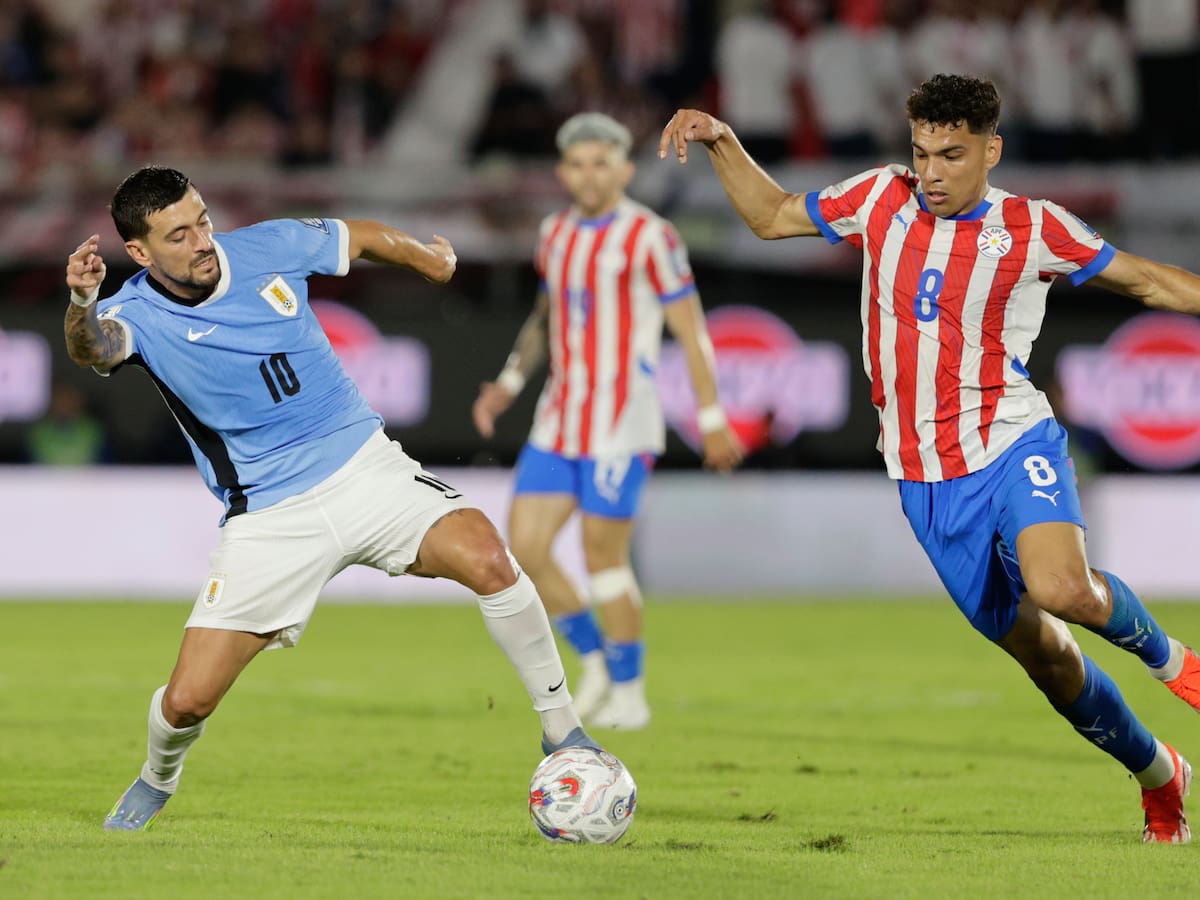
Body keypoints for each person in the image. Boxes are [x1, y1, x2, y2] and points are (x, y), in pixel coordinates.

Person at [659, 73, 1200, 843]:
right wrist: (722, 140)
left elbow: (1146, 281)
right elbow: (774, 216)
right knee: (1046, 659)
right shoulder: (880, 199)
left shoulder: (1033, 227)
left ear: (991, 150)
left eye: (951, 154)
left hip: (1012, 439)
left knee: (1062, 588)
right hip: (924, 478)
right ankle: (1159, 775)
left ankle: (1177, 663)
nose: (932, 173)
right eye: (921, 154)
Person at [64, 165, 597, 831]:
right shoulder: (133, 314)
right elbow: (93, 348)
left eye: (202, 219)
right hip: (270, 517)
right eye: (179, 234)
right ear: (139, 252)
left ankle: (564, 733)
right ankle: (156, 777)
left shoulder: (268, 246)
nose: (202, 239)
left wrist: (425, 258)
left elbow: (361, 236)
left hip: (365, 470)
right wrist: (83, 302)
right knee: (188, 703)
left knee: (489, 557)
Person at [472, 113, 743, 730]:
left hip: (622, 423)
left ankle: (630, 691)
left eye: (602, 163)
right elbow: (545, 316)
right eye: (578, 163)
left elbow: (690, 328)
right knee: (528, 550)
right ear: (563, 171)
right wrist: (510, 383)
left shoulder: (652, 237)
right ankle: (596, 659)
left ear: (624, 169)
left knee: (605, 561)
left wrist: (711, 415)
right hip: (559, 418)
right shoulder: (554, 232)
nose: (589, 175)